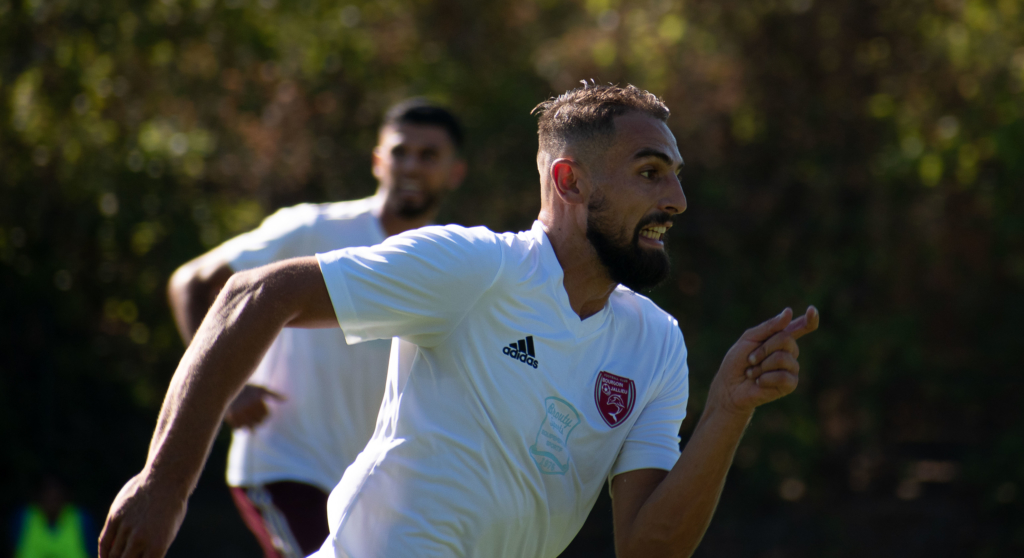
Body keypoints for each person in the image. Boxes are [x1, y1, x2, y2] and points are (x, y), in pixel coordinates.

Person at [100, 84, 819, 558]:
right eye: (651, 172)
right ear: (569, 181)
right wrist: (163, 483)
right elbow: (250, 295)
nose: (680, 199)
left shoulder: (656, 344)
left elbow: (646, 548)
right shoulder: (477, 267)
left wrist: (729, 410)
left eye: (676, 173)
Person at [164, 100, 467, 558]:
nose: (411, 166)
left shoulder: (453, 263)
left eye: (428, 156)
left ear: (455, 172)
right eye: (401, 152)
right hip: (284, 466)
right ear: (377, 161)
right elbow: (192, 283)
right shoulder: (312, 229)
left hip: (364, 488)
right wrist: (233, 388)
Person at [11, 476, 97, 558]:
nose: (51, 499)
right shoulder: (23, 518)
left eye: (56, 496)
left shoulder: (82, 519)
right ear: (38, 496)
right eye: (47, 494)